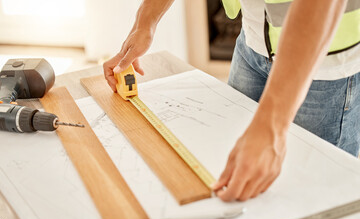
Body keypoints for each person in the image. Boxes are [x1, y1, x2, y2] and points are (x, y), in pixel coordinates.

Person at [103, 0, 360, 202]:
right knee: (241, 179)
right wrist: (145, 22)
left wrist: (271, 125)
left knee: (309, 198)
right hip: (252, 43)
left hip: (322, 63)